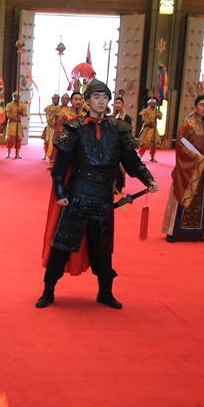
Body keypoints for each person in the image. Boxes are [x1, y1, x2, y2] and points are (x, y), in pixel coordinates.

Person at [36, 79, 158, 310]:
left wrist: (147, 178)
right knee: (62, 246)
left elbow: (131, 161)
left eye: (105, 98)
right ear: (88, 101)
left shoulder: (119, 129)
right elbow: (60, 165)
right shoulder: (74, 127)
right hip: (78, 195)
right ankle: (48, 290)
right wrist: (61, 191)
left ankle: (105, 292)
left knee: (103, 249)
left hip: (103, 196)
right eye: (97, 97)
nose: (101, 102)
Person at [161, 95, 204, 243]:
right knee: (182, 195)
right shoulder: (187, 124)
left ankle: (202, 233)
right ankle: (173, 231)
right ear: (195, 107)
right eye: (202, 105)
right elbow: (180, 145)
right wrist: (196, 157)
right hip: (188, 167)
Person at [112, 95, 133, 192]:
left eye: (119, 103)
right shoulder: (112, 117)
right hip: (113, 144)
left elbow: (128, 131)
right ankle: (112, 186)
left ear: (122, 105)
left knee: (121, 165)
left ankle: (119, 187)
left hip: (123, 144)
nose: (117, 105)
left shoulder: (127, 117)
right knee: (114, 165)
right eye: (116, 103)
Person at [138, 97, 162, 163]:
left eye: (153, 103)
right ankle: (140, 156)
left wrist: (158, 114)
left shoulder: (156, 110)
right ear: (149, 103)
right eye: (151, 103)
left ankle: (152, 157)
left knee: (154, 144)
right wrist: (149, 122)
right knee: (144, 143)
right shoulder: (145, 110)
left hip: (154, 129)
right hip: (147, 128)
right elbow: (144, 118)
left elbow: (160, 117)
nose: (152, 104)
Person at [4, 91, 26, 159]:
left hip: (18, 124)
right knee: (10, 139)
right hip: (11, 123)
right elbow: (8, 115)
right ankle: (8, 152)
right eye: (16, 96)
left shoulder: (22, 105)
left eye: (18, 96)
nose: (17, 97)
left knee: (18, 139)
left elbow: (25, 114)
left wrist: (20, 112)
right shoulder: (9, 105)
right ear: (13, 97)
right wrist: (14, 118)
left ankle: (17, 153)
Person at [42, 94, 61, 161]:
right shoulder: (48, 107)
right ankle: (45, 154)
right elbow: (47, 116)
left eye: (56, 98)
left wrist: (56, 124)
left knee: (55, 142)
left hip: (57, 127)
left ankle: (54, 156)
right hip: (49, 127)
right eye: (54, 98)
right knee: (47, 140)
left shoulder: (60, 107)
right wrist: (50, 123)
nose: (55, 100)